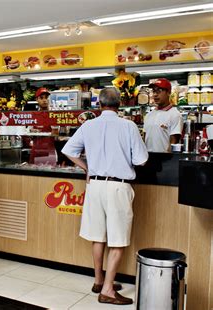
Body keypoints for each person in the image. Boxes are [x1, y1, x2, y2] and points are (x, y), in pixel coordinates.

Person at [62, 88, 148, 305]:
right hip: (118, 187)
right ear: (120, 104)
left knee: (98, 236)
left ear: (99, 104)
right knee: (117, 240)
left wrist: (87, 167)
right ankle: (108, 290)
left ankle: (99, 280)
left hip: (95, 187)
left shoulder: (89, 124)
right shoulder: (128, 126)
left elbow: (68, 151)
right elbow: (141, 160)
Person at [144, 78, 183, 152]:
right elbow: (145, 138)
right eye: (154, 91)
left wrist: (167, 162)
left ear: (168, 92)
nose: (155, 95)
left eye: (159, 91)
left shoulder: (175, 115)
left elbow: (174, 142)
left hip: (165, 160)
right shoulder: (149, 115)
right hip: (148, 159)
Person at [29, 87, 57, 164]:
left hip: (49, 150)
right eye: (41, 98)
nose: (44, 100)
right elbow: (28, 131)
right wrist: (31, 131)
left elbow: (57, 133)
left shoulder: (54, 115)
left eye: (46, 97)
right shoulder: (33, 115)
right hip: (36, 150)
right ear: (36, 99)